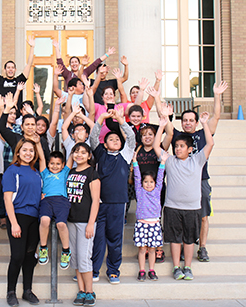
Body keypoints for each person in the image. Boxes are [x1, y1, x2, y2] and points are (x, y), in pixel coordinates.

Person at [166, 81, 228, 262]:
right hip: (181, 184)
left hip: (201, 181)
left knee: (202, 217)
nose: (187, 123)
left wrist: (216, 95)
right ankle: (185, 247)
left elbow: (216, 117)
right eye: (184, 120)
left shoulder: (203, 134)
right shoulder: (177, 136)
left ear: (195, 121)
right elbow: (166, 124)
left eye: (191, 120)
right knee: (182, 216)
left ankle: (202, 247)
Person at [153, 112, 214, 280]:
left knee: (188, 239)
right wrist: (161, 126)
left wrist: (204, 124)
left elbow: (210, 143)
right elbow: (157, 147)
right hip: (173, 207)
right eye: (176, 146)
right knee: (174, 239)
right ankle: (176, 267)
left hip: (192, 208)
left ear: (190, 149)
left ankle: (187, 267)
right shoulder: (170, 160)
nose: (178, 148)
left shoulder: (198, 160)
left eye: (182, 146)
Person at [89, 108, 136, 284]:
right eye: (111, 139)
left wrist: (121, 121)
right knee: (98, 238)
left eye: (117, 139)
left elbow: (131, 139)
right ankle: (94, 270)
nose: (115, 141)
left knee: (115, 238)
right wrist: (101, 118)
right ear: (106, 144)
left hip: (118, 204)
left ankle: (114, 270)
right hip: (100, 204)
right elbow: (93, 138)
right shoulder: (100, 154)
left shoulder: (125, 155)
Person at [2, 139, 43, 307]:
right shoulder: (12, 171)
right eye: (25, 150)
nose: (28, 153)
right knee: (17, 256)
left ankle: (27, 290)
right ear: (18, 152)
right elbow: (7, 198)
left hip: (35, 218)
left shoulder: (36, 172)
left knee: (29, 257)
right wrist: (14, 223)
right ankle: (10, 292)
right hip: (18, 217)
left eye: (31, 151)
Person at [66, 142, 100, 306]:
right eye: (76, 152)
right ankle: (81, 291)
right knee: (75, 258)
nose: (79, 155)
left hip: (86, 222)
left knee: (84, 258)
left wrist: (90, 223)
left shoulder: (93, 173)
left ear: (89, 156)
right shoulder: (70, 172)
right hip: (70, 221)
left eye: (83, 152)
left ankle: (89, 291)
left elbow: (95, 201)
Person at [132, 149, 167, 281]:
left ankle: (151, 270)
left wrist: (163, 162)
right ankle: (142, 270)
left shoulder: (157, 190)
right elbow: (136, 176)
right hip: (142, 224)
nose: (148, 184)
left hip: (154, 225)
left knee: (152, 250)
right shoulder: (140, 191)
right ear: (142, 183)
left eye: (151, 182)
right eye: (146, 182)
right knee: (142, 250)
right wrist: (135, 161)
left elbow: (160, 176)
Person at [36, 148, 71, 269]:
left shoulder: (65, 172)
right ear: (48, 164)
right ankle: (43, 248)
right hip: (47, 200)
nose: (54, 166)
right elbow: (41, 157)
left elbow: (71, 156)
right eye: (52, 163)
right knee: (44, 220)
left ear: (62, 165)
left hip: (62, 201)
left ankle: (66, 250)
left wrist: (78, 141)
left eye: (58, 164)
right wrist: (37, 143)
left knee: (61, 224)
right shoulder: (45, 172)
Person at [0, 36, 35, 112]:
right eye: (8, 67)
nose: (10, 69)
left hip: (16, 114)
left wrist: (32, 48)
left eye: (12, 67)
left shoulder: (20, 80)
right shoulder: (0, 80)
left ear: (15, 70)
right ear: (5, 70)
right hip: (3, 113)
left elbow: (29, 65)